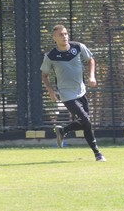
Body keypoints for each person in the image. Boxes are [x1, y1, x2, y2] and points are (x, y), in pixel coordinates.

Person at [40, 24, 106, 161]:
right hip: (67, 95)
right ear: (54, 38)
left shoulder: (78, 47)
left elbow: (90, 60)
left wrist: (92, 76)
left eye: (65, 34)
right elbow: (44, 75)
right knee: (86, 120)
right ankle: (98, 154)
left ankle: (62, 131)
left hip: (81, 92)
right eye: (60, 35)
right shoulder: (50, 56)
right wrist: (51, 91)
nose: (64, 36)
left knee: (85, 122)